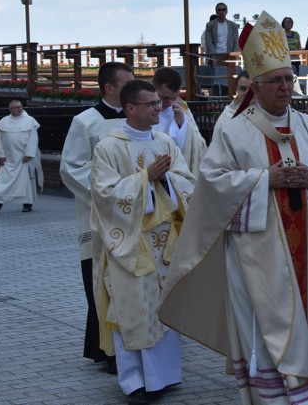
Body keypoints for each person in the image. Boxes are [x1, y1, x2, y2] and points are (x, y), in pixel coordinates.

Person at [159, 11, 308, 404]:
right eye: (276, 81)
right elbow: (211, 184)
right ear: (256, 87)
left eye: (289, 80)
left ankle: (301, 397)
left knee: (305, 320)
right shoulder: (234, 129)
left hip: (304, 249)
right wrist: (267, 180)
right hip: (254, 253)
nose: (285, 87)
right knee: (264, 330)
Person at [90, 79, 195, 405]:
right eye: (151, 104)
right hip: (131, 247)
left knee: (164, 310)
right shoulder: (108, 147)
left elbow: (188, 181)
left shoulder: (164, 141)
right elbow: (104, 196)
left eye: (158, 103)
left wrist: (167, 178)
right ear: (131, 108)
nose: (159, 107)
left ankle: (164, 377)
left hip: (167, 244)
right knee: (133, 313)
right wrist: (144, 178)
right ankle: (135, 382)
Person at [61, 61, 135, 372]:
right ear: (108, 88)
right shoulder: (85, 121)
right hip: (99, 213)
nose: (133, 90)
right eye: (126, 84)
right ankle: (106, 350)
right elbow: (71, 166)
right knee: (100, 281)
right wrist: (108, 196)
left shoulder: (137, 119)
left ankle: (132, 345)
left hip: (134, 212)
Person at [0, 99, 42, 214]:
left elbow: (33, 139)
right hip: (9, 158)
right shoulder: (4, 121)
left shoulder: (30, 121)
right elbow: (1, 140)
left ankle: (27, 204)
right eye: (16, 107)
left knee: (25, 181)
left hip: (24, 157)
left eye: (20, 107)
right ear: (10, 109)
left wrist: (29, 154)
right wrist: (1, 155)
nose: (19, 109)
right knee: (2, 180)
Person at [151, 67, 207, 176]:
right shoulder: (143, 108)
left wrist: (182, 123)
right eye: (164, 97)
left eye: (174, 97)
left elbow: (200, 145)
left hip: (179, 171)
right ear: (154, 89)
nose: (170, 102)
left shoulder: (183, 109)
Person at [213, 70, 251, 135]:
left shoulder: (267, 114)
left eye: (251, 89)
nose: (247, 93)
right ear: (236, 90)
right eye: (243, 89)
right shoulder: (226, 119)